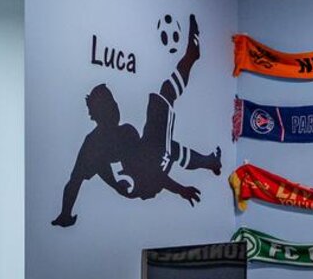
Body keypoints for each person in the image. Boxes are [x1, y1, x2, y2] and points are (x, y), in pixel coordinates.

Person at [52, 13, 221, 226]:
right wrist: (181, 190)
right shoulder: (123, 135)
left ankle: (211, 162)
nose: (116, 107)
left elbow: (74, 182)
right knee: (166, 96)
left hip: (146, 174)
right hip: (149, 183)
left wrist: (65, 215)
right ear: (102, 112)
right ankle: (192, 56)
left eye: (114, 103)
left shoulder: (92, 143)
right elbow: (151, 172)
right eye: (112, 105)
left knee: (169, 146)